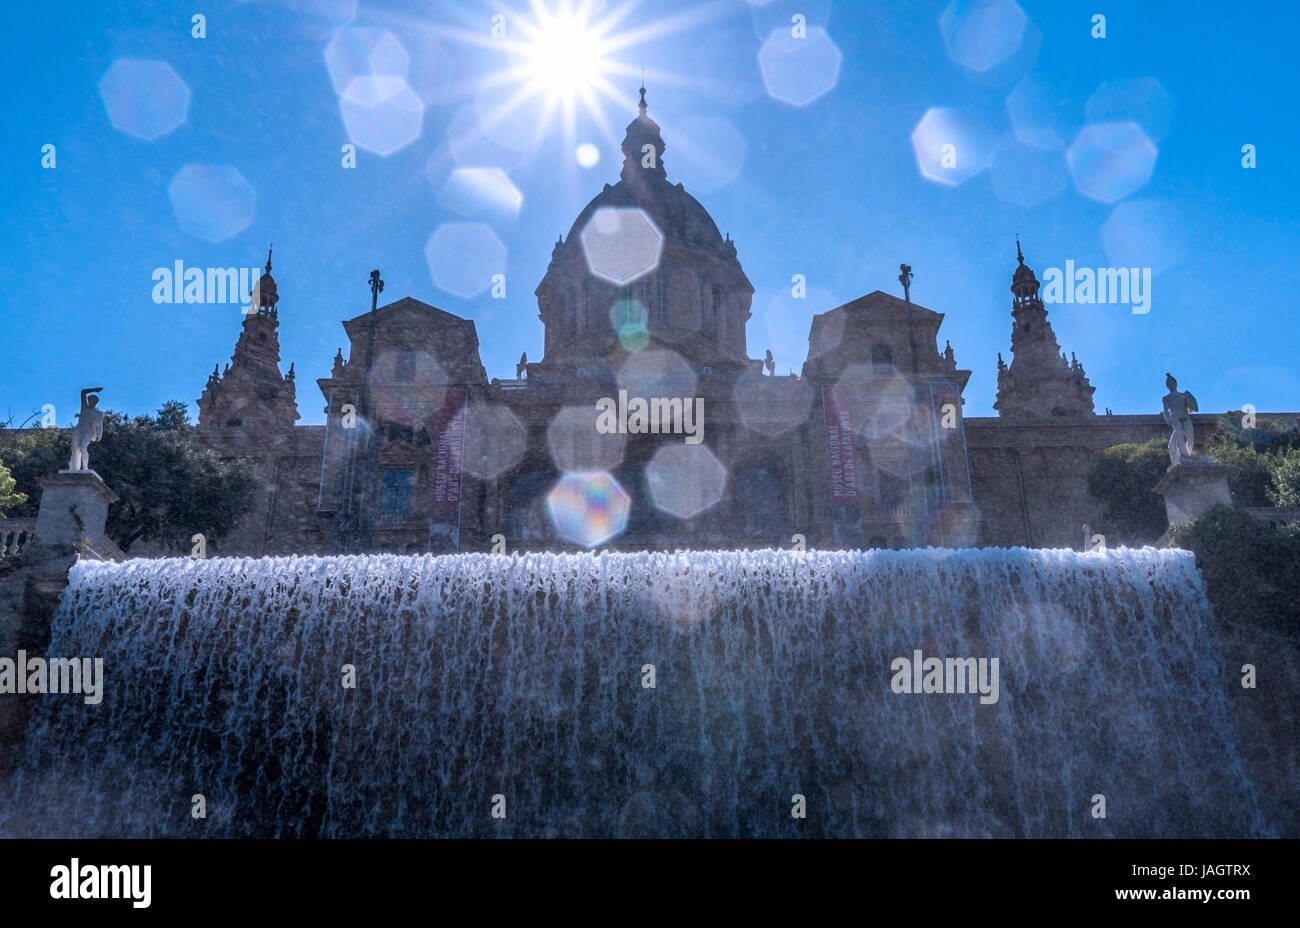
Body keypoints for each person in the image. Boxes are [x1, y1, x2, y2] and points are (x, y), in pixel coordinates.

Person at [1161, 373, 1197, 465]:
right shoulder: (1166, 398)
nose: (1171, 385)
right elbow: (1166, 410)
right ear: (1167, 386)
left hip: (1185, 417)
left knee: (1190, 438)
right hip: (1175, 420)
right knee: (1180, 437)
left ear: (1175, 383)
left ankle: (1188, 453)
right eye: (1169, 384)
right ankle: (1186, 456)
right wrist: (1168, 420)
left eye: (1172, 383)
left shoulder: (1183, 395)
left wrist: (1191, 405)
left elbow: (1192, 408)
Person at [68, 387, 104, 471]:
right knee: (74, 448)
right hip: (79, 429)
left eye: (92, 401)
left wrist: (99, 435)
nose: (90, 402)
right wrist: (94, 390)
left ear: (95, 402)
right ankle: (74, 467)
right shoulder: (84, 407)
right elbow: (83, 392)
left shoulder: (98, 413)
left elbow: (100, 426)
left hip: (89, 431)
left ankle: (85, 467)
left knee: (82, 446)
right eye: (89, 400)